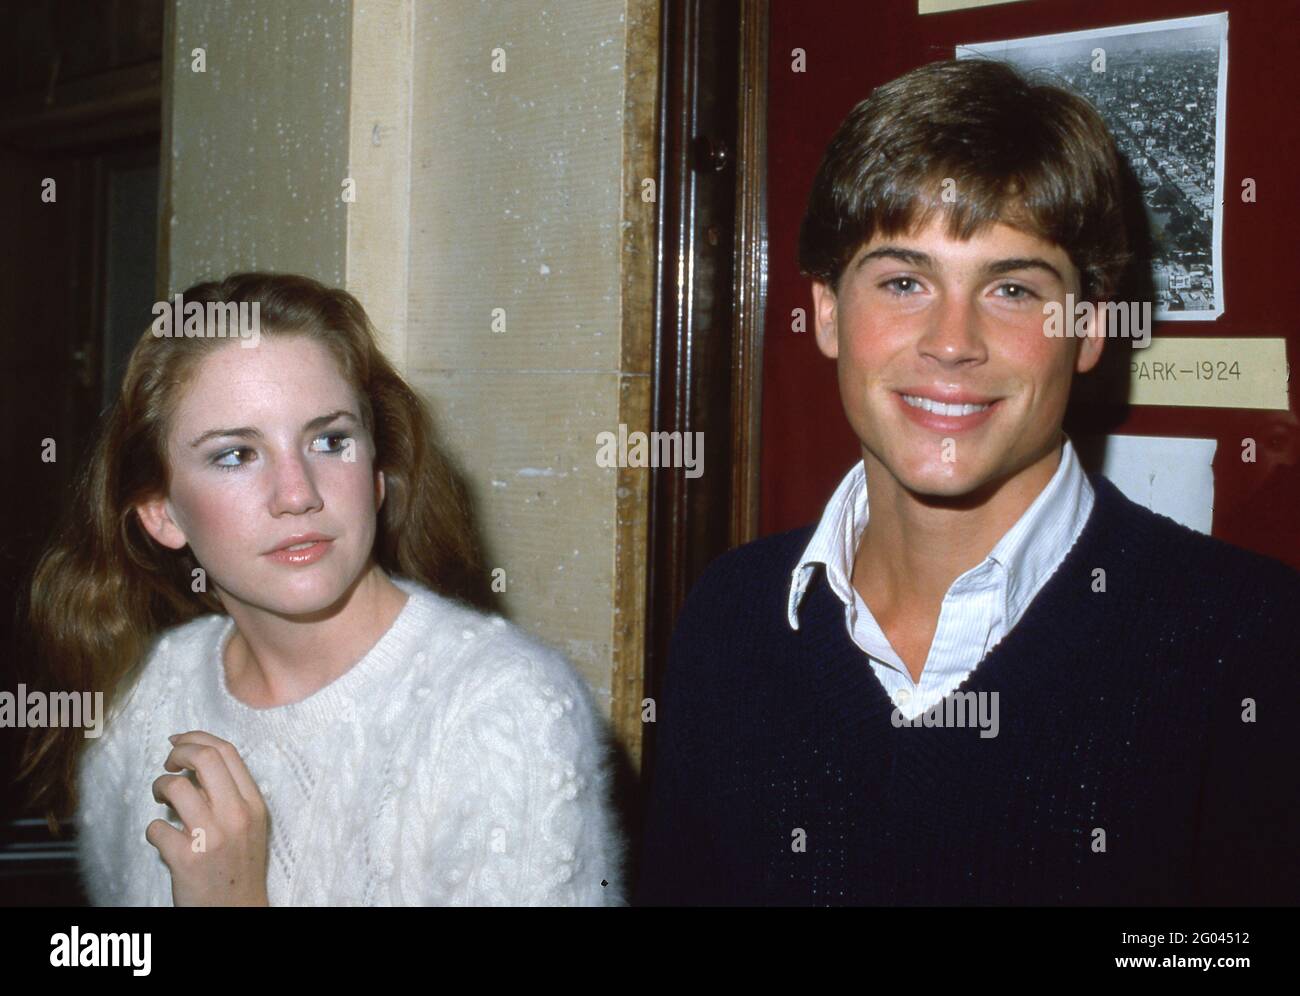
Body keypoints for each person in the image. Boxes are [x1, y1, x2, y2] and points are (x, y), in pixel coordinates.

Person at [634, 58, 1300, 906]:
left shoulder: (1248, 644)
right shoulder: (732, 615)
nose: (953, 342)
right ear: (829, 312)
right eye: (905, 281)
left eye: (1014, 288)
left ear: (1089, 330)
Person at [18, 272, 626, 906]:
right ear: (161, 512)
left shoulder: (503, 710)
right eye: (235, 455)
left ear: (377, 475)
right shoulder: (144, 695)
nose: (299, 493)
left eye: (330, 440)